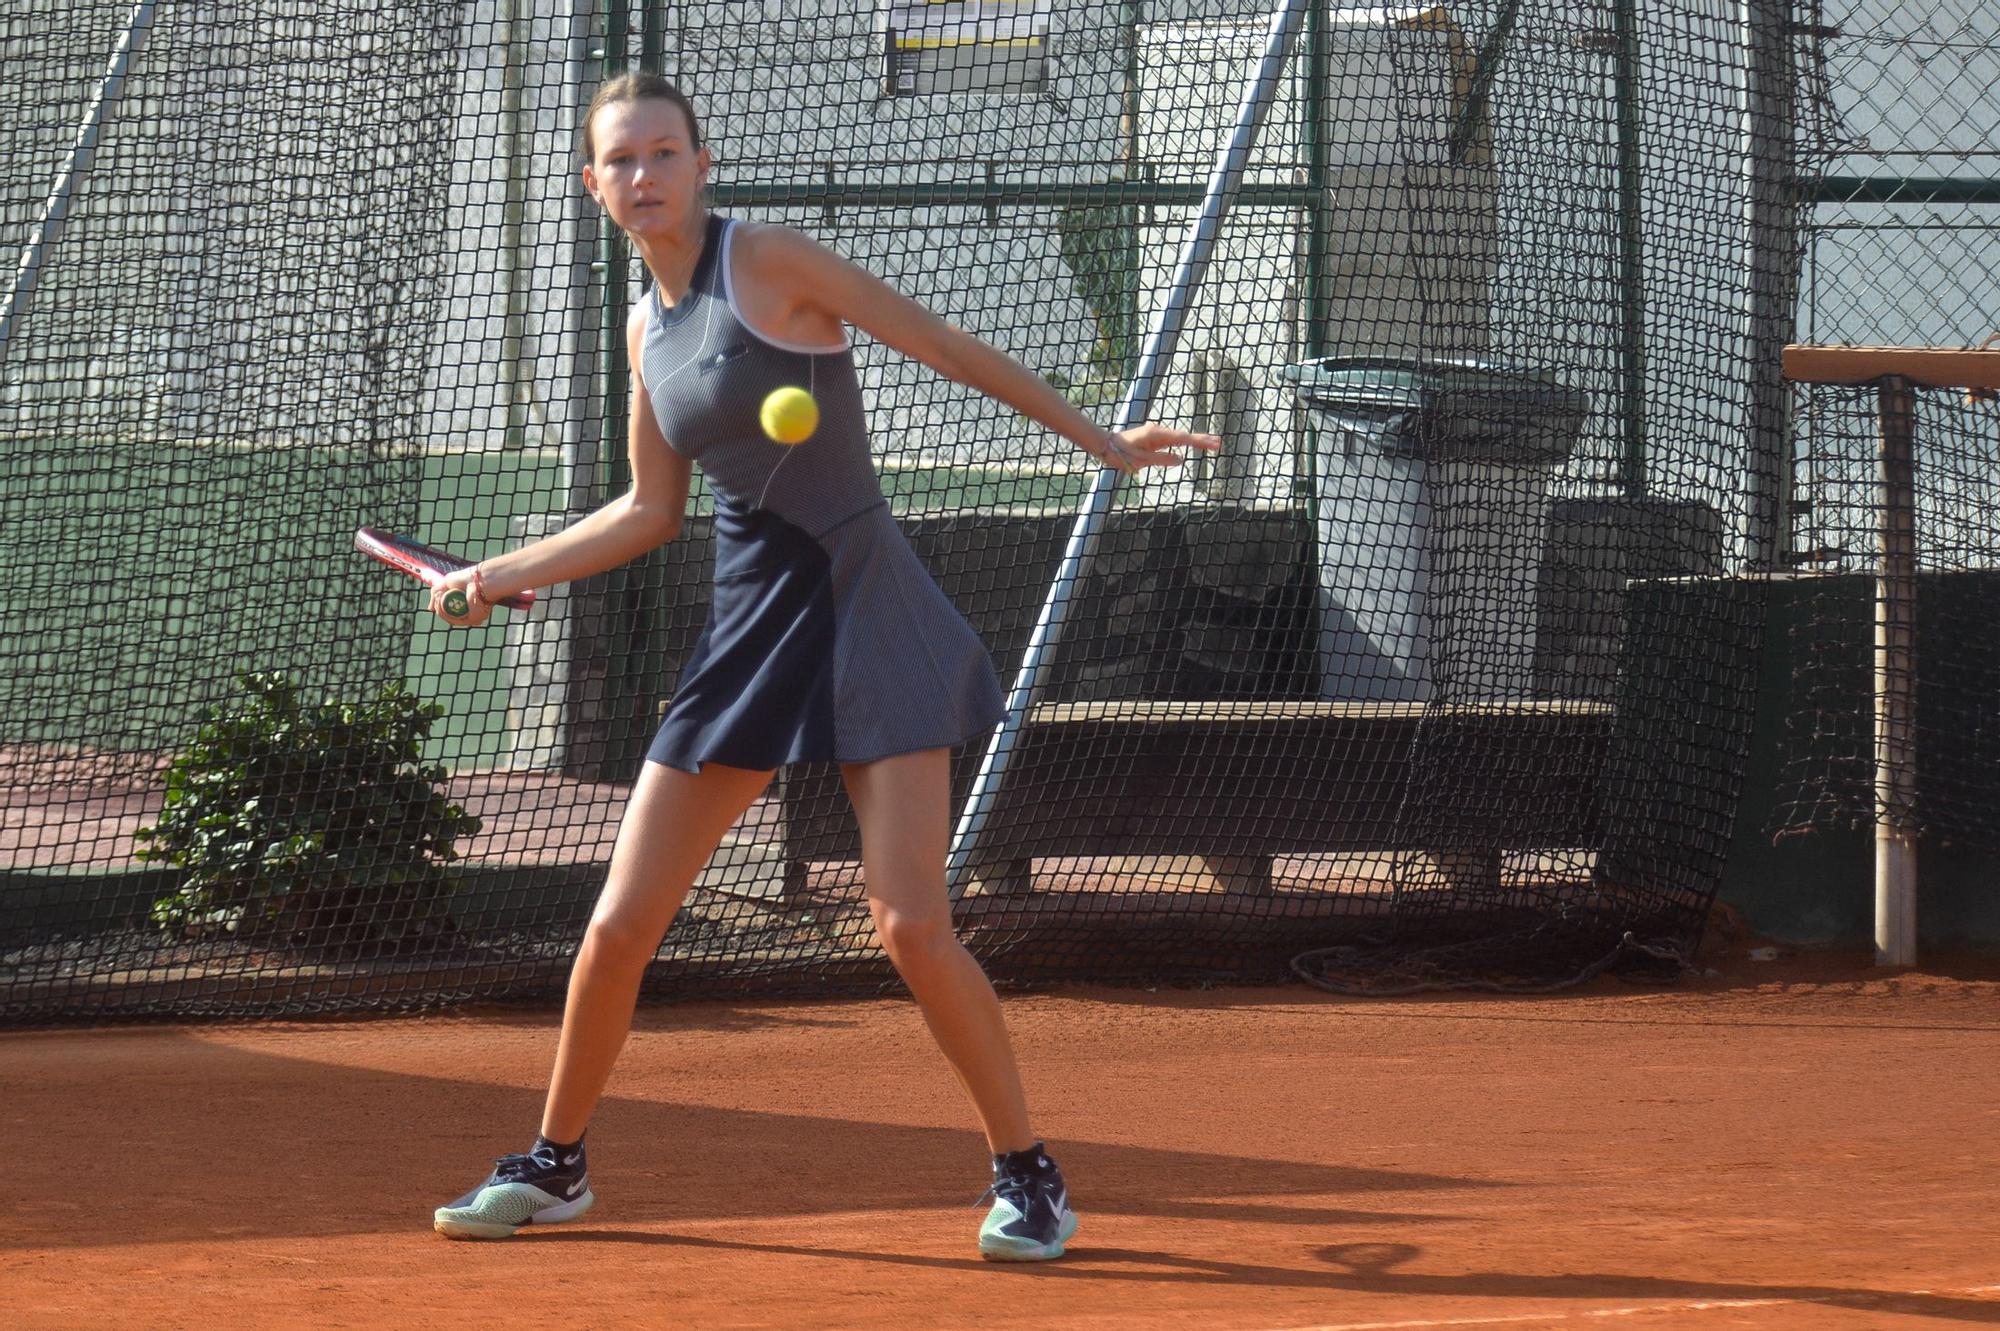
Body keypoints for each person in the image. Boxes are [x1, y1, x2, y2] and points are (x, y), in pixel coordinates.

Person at [428, 72, 1217, 1262]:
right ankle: (555, 1163)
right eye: (619, 162)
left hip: (864, 603)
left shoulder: (774, 262)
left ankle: (1028, 1173)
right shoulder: (647, 329)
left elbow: (942, 345)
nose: (642, 176)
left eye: (661, 154)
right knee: (616, 926)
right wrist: (497, 569)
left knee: (905, 922)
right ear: (592, 188)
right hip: (748, 627)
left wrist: (1098, 440)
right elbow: (648, 508)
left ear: (700, 165)